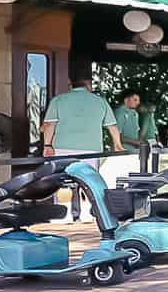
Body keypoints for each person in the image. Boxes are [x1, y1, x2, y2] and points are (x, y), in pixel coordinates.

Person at [42, 70, 124, 222]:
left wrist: (47, 145)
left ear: (70, 84)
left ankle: (64, 215)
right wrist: (117, 145)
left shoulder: (58, 100)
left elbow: (48, 125)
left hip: (62, 148)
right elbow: (112, 126)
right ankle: (91, 214)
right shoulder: (100, 101)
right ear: (88, 85)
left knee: (62, 180)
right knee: (89, 181)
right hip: (91, 149)